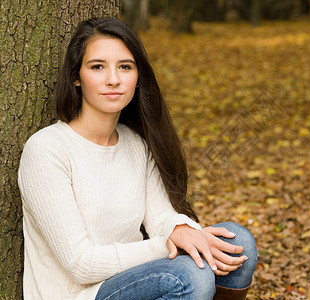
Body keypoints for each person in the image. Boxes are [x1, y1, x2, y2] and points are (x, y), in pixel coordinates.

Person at [18, 17, 257, 300]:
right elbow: (80, 264)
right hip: (77, 294)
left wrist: (179, 229)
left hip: (133, 280)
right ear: (76, 77)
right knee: (188, 275)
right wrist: (168, 243)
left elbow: (161, 218)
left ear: (137, 76)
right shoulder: (47, 149)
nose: (113, 79)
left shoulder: (135, 144)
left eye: (125, 67)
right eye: (97, 67)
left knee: (238, 241)